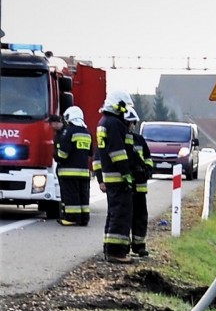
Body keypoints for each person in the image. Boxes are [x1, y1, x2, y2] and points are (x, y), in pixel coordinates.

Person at [92, 90, 135, 264]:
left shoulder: (104, 122)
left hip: (110, 177)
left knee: (114, 213)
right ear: (118, 105)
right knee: (121, 214)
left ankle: (109, 248)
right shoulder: (115, 123)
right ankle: (116, 252)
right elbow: (118, 152)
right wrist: (127, 174)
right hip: (118, 177)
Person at [54, 106, 93, 226]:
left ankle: (71, 218)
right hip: (84, 171)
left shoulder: (68, 131)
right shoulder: (87, 132)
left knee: (71, 195)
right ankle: (84, 218)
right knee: (83, 195)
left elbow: (63, 154)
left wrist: (56, 155)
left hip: (68, 171)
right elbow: (91, 152)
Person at [123, 108, 153, 257]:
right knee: (125, 217)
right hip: (125, 187)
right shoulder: (118, 139)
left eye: (132, 123)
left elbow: (148, 158)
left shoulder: (139, 140)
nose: (131, 126)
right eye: (129, 123)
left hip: (140, 188)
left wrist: (147, 170)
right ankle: (124, 245)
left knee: (140, 217)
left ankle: (139, 245)